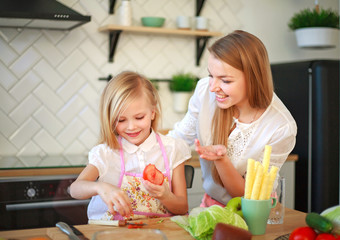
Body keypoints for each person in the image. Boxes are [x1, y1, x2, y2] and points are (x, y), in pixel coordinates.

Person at [168, 30, 297, 208]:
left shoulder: (281, 126)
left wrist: (221, 161)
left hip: (253, 213)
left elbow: (249, 195)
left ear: (254, 79)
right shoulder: (205, 90)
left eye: (225, 81)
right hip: (211, 206)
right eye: (211, 75)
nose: (213, 87)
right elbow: (178, 139)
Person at [70, 71, 191, 220]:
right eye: (121, 120)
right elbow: (75, 189)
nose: (131, 127)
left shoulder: (172, 149)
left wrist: (165, 195)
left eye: (139, 117)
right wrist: (100, 187)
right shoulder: (106, 153)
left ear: (152, 112)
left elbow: (182, 207)